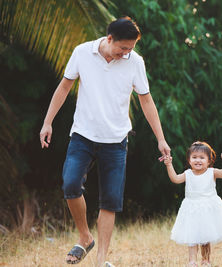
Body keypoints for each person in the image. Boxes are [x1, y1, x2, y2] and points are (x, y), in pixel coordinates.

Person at [39, 17, 170, 266]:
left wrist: (160, 139)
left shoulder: (135, 62)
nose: (126, 53)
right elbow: (64, 87)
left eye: (131, 49)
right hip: (83, 135)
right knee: (70, 184)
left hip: (116, 140)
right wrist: (48, 122)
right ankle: (85, 237)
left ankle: (100, 260)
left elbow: (146, 101)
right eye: (123, 48)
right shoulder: (82, 52)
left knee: (110, 200)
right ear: (109, 39)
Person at [162, 141, 222, 267]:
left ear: (209, 161)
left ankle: (206, 260)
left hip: (208, 208)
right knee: (192, 236)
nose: (198, 160)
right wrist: (169, 164)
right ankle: (192, 261)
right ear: (189, 160)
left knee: (206, 236)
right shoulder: (188, 174)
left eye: (202, 158)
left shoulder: (212, 172)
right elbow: (175, 178)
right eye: (194, 157)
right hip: (192, 208)